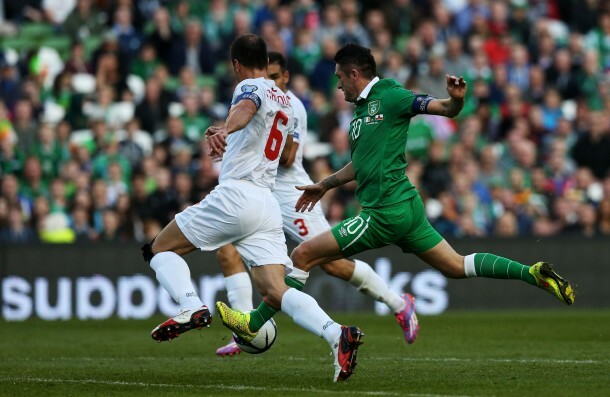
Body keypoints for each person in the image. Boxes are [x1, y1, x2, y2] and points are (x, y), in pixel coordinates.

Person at [218, 43, 576, 342]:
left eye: (340, 77)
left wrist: (456, 101)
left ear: (354, 74)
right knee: (456, 265)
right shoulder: (360, 114)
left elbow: (441, 108)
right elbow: (359, 165)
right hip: (407, 208)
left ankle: (254, 323)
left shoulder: (390, 95)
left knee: (304, 254)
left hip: (383, 213)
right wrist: (324, 185)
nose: (338, 85)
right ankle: (533, 273)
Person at [143, 35, 362, 383]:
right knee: (276, 291)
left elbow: (245, 110)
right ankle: (337, 334)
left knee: (158, 249)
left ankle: (191, 305)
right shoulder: (285, 101)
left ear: (235, 64)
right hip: (266, 204)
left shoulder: (249, 86)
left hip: (237, 195)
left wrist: (223, 129)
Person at [214, 52, 418, 357]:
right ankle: (243, 330)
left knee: (332, 263)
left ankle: (399, 304)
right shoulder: (251, 99)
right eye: (262, 76)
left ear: (285, 78)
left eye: (272, 77)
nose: (265, 81)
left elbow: (287, 158)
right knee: (225, 247)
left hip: (289, 194)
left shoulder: (292, 106)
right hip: (257, 191)